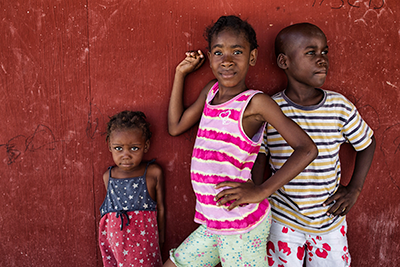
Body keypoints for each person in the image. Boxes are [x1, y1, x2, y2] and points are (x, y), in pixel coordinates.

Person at [164, 15, 318, 267]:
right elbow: (175, 126)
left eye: (237, 51)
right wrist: (180, 73)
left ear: (252, 57)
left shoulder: (255, 103)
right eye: (218, 52)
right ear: (210, 57)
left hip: (241, 226)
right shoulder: (211, 91)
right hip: (214, 223)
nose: (226, 61)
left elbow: (307, 149)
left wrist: (262, 190)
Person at [255, 23, 376, 266]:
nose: (322, 60)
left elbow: (367, 143)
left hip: (330, 219)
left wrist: (354, 189)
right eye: (311, 53)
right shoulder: (270, 109)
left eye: (325, 52)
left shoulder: (339, 106)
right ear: (284, 61)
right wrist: (257, 200)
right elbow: (259, 157)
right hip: (283, 219)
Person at [99, 110, 165, 267]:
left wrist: (161, 238)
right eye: (118, 148)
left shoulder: (153, 173)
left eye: (134, 148)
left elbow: (161, 208)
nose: (126, 155)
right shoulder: (109, 177)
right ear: (109, 147)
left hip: (145, 247)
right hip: (118, 248)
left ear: (145, 146)